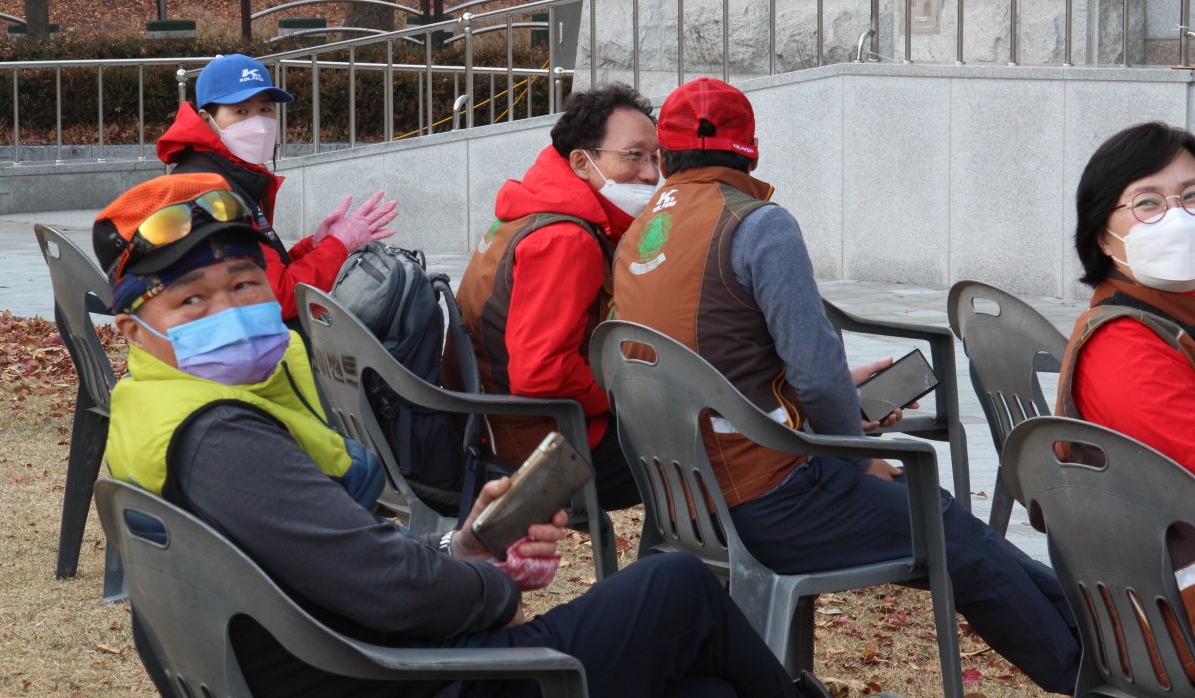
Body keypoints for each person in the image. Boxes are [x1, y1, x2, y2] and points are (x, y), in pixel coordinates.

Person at [95, 172, 827, 698]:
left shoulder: (162, 409)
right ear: (132, 330)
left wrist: (467, 543)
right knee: (679, 586)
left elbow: (337, 558)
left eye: (244, 284)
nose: (229, 310)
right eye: (191, 301)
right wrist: (491, 586)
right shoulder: (224, 439)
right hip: (394, 675)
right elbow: (389, 590)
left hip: (349, 660)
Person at [613, 77, 1081, 694]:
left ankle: (1107, 648)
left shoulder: (636, 235)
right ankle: (1087, 675)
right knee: (947, 526)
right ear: (752, 151)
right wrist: (857, 456)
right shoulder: (758, 225)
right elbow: (813, 372)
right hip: (768, 501)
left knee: (944, 521)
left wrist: (829, 395)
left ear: (665, 155)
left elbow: (722, 360)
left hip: (686, 499)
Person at [445, 83, 658, 510]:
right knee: (704, 449)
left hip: (488, 428)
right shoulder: (565, 238)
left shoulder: (530, 209)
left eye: (656, 157)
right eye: (634, 156)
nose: (651, 174)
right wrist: (622, 393)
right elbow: (540, 374)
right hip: (537, 452)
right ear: (581, 162)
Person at [1057, 120, 1195, 653]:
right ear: (1102, 233)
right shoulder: (1124, 346)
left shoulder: (1172, 315)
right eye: (1148, 203)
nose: (1177, 218)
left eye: (1191, 197)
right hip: (1173, 623)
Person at [159, 52, 399, 325]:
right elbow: (273, 298)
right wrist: (337, 246)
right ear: (206, 120)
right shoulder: (208, 193)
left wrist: (315, 246)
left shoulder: (224, 173)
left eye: (265, 109)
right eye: (241, 111)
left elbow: (265, 271)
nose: (259, 124)